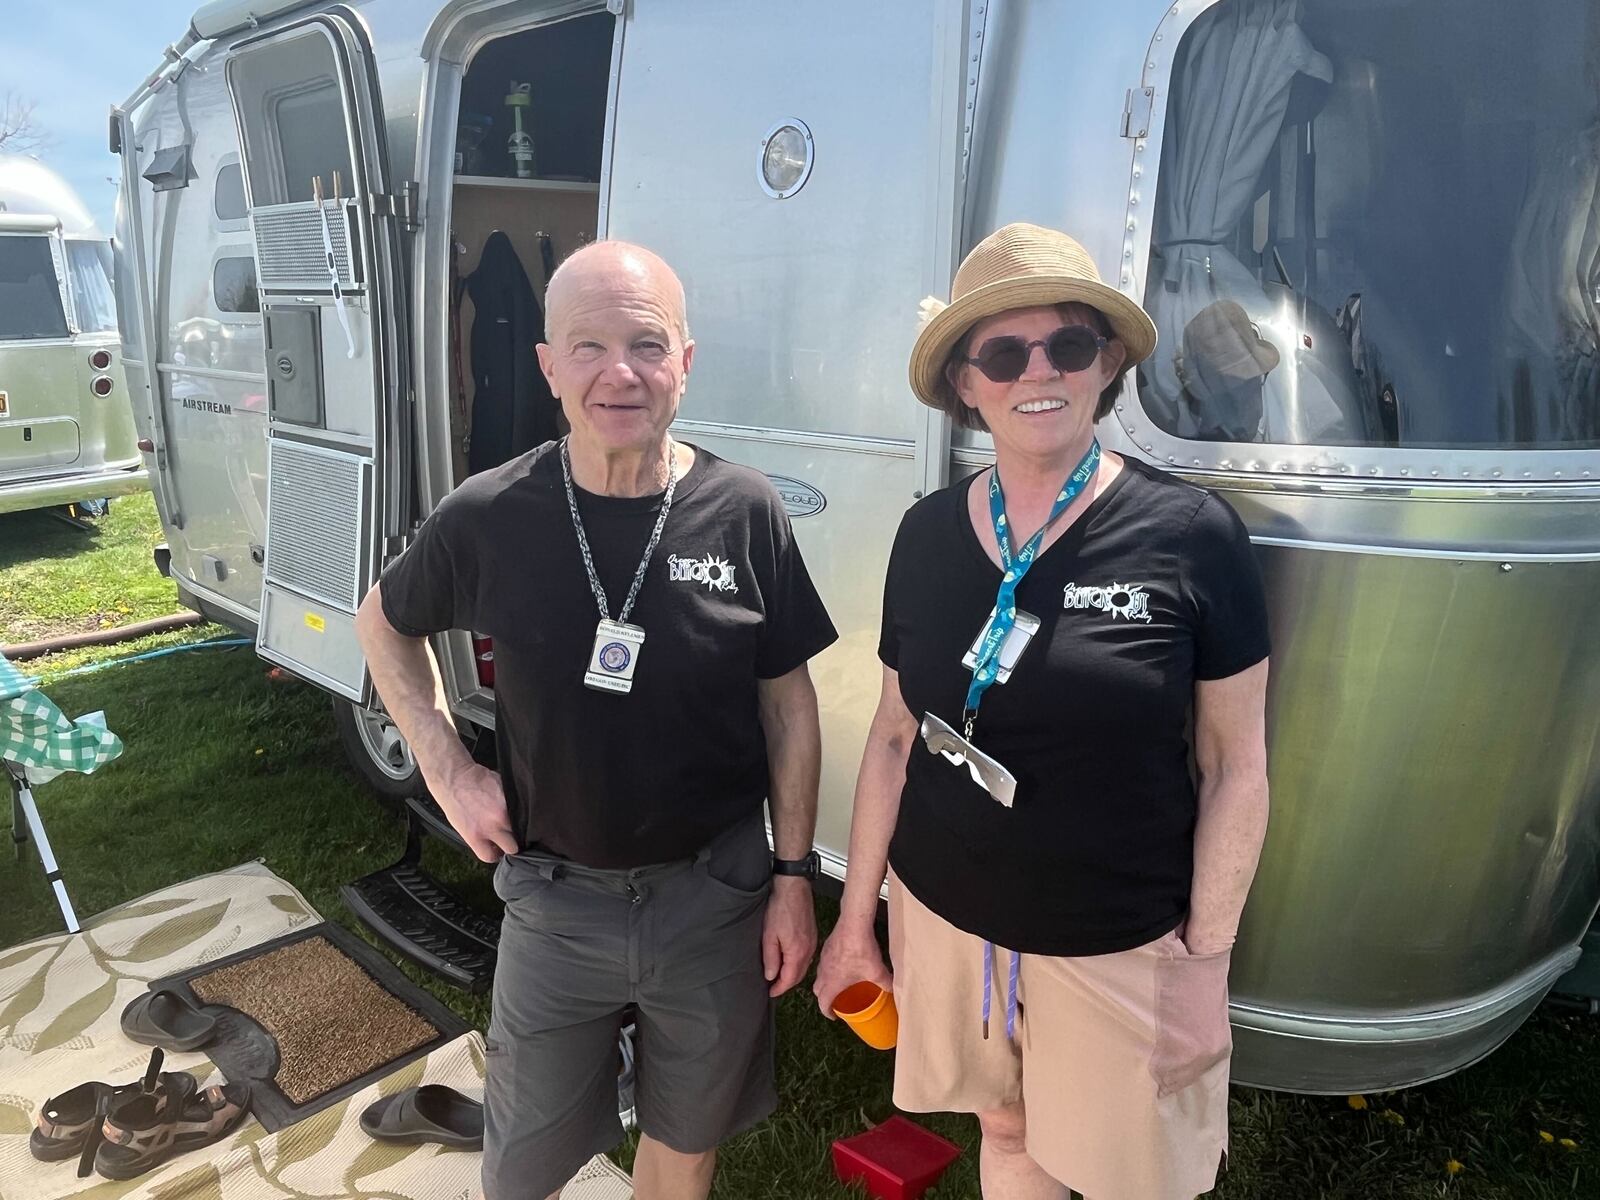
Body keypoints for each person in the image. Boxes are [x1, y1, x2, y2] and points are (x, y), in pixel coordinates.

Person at [354, 240, 838, 1200]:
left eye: (647, 345)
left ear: (686, 362)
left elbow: (789, 704)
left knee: (685, 1141)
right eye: (588, 347)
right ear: (546, 366)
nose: (620, 373)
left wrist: (791, 878)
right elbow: (382, 623)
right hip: (557, 899)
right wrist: (448, 769)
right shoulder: (491, 512)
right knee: (523, 1167)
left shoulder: (744, 510)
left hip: (714, 895)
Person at [814, 223, 1271, 1200]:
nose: (1040, 371)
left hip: (1117, 935)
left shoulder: (1193, 538)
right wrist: (859, 922)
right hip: (947, 917)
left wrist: (1203, 965)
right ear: (964, 385)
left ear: (1106, 363)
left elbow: (1238, 765)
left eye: (1067, 345)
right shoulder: (927, 534)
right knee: (1010, 1133)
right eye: (1003, 352)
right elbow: (896, 737)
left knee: (1139, 1177)